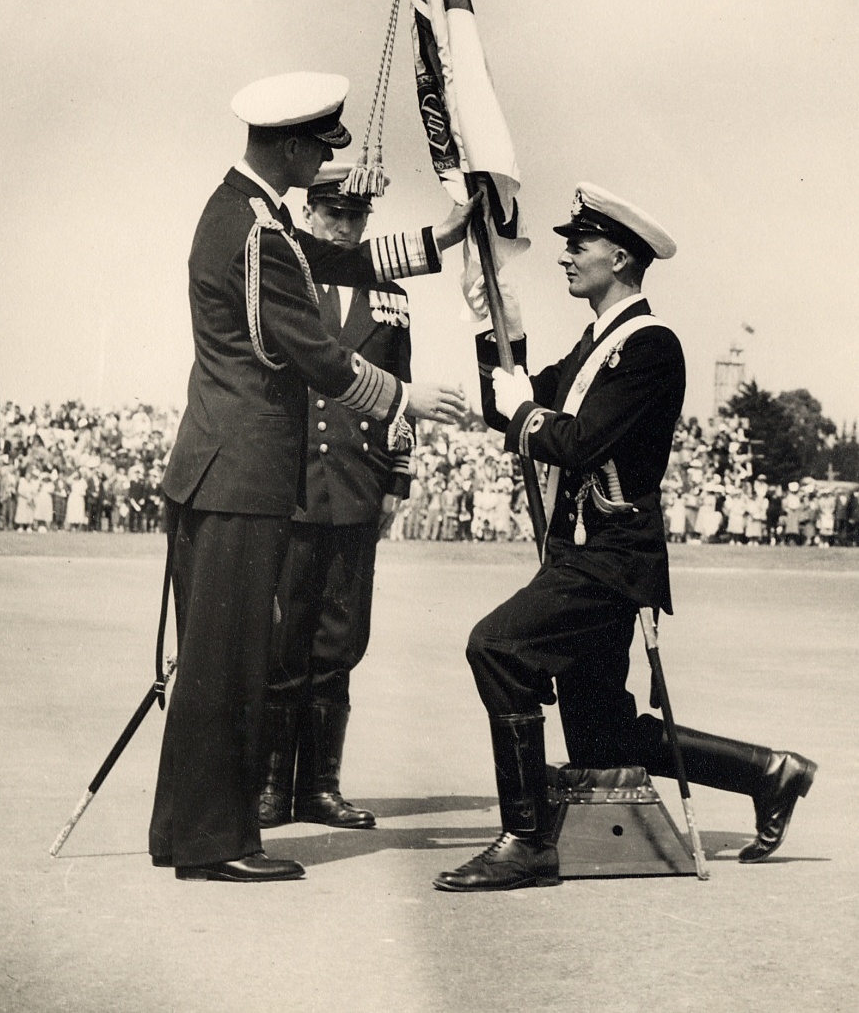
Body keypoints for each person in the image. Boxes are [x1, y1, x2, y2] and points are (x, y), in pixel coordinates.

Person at [435, 182, 817, 892]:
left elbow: (575, 442)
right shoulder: (595, 347)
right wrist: (497, 326)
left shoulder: (648, 348)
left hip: (610, 557)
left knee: (496, 646)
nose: (566, 257)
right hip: (586, 552)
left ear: (619, 254)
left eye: (577, 244)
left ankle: (525, 842)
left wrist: (525, 410)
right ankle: (770, 772)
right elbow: (506, 405)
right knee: (602, 736)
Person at [148, 71, 474, 884]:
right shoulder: (255, 232)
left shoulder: (250, 214)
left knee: (211, 660)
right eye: (317, 152)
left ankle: (180, 829)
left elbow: (342, 256)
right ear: (291, 147)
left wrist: (443, 238)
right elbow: (314, 350)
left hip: (222, 471)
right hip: (242, 473)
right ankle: (216, 843)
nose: (322, 168)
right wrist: (404, 395)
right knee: (229, 664)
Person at [258, 161, 415, 832]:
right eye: (336, 215)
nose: (347, 228)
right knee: (284, 643)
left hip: (355, 485)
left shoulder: (389, 295)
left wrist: (397, 481)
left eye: (358, 218)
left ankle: (319, 787)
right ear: (310, 212)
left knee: (339, 643)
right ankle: (270, 787)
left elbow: (402, 390)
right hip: (292, 485)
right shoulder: (287, 276)